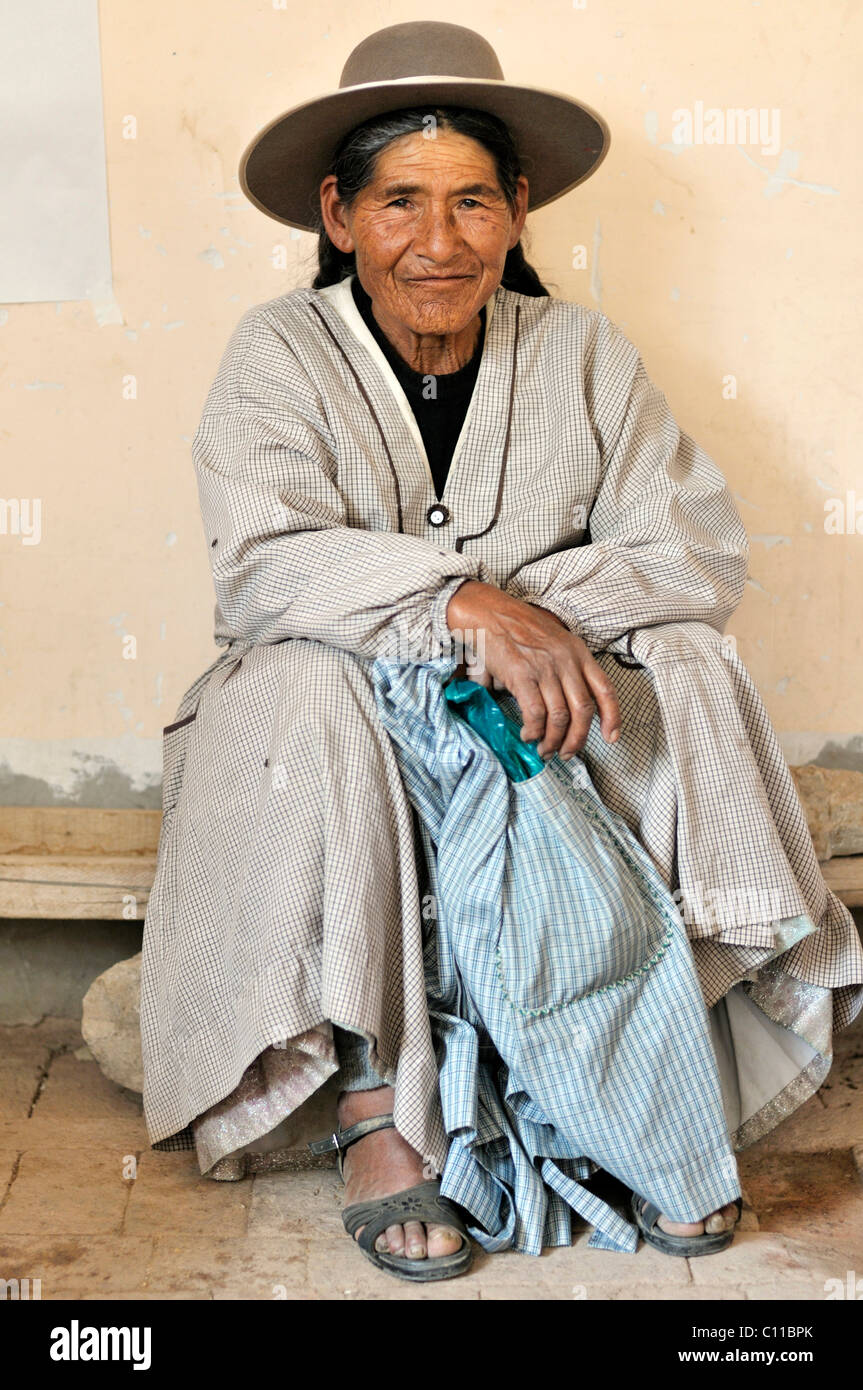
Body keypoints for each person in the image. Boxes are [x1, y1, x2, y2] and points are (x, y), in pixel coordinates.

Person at [140, 21, 863, 1282]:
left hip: (534, 719)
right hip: (340, 724)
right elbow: (260, 564)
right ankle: (381, 1100)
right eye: (401, 202)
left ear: (517, 210)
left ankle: (632, 1072)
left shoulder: (584, 355)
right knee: (303, 688)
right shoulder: (276, 354)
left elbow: (692, 549)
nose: (440, 240)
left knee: (689, 657)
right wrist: (457, 604)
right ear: (338, 212)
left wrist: (527, 616)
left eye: (473, 199)